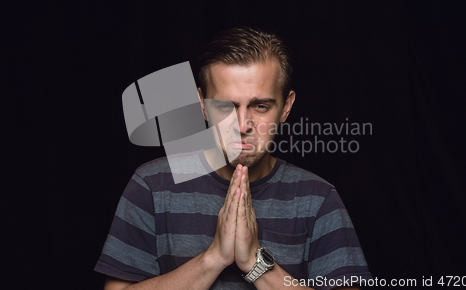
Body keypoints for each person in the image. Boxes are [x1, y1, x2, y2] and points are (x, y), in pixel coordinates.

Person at [95, 26, 372, 290]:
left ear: (286, 108)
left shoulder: (319, 199)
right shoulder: (151, 185)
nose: (242, 124)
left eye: (260, 106)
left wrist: (255, 261)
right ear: (202, 105)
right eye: (225, 106)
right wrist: (213, 258)